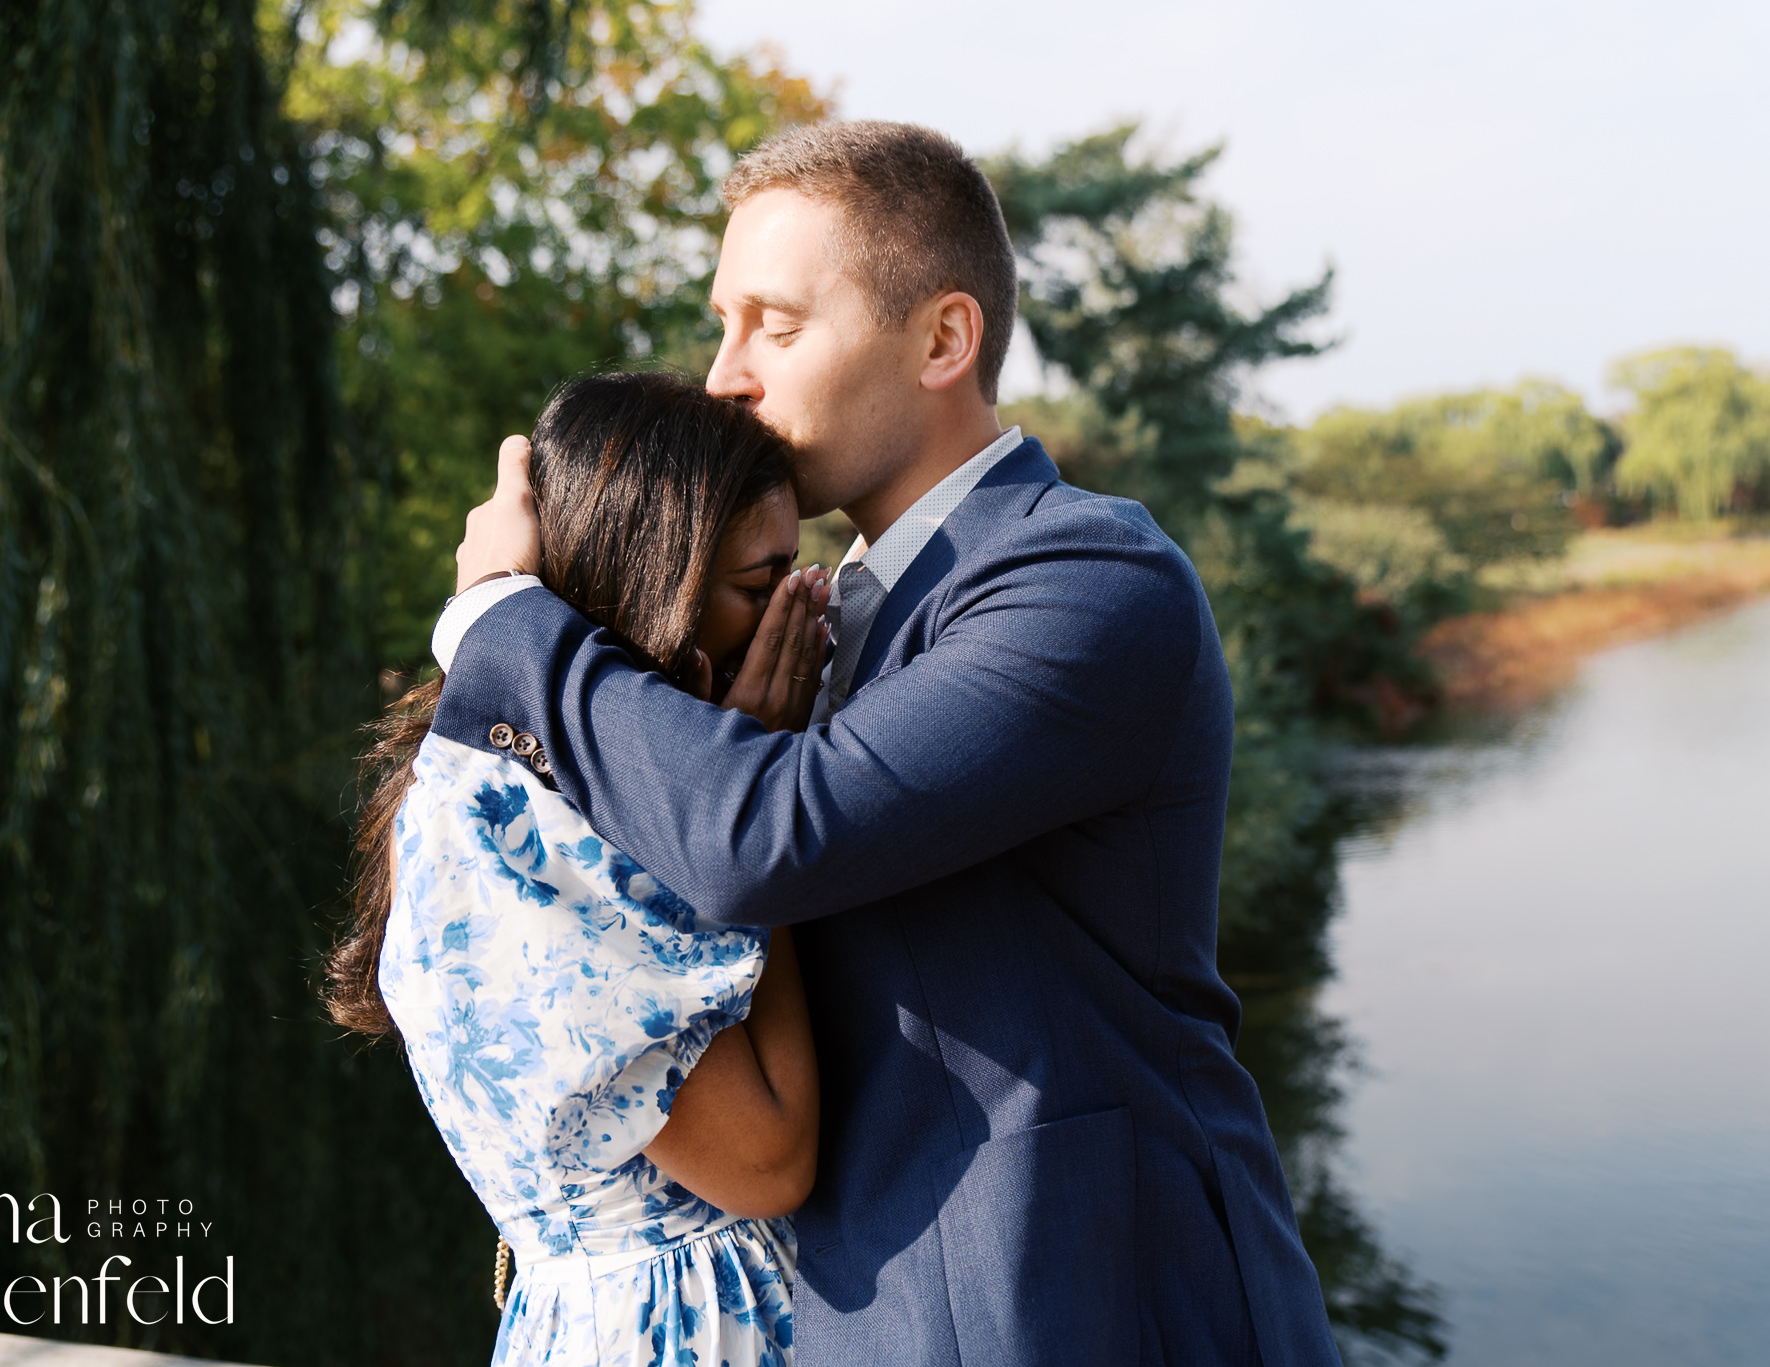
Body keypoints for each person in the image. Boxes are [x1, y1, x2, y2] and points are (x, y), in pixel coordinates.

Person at [439, 122, 1343, 1365]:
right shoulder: (799, 621)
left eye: (775, 323)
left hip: (1094, 1302)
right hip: (865, 1312)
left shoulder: (1084, 579)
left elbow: (766, 833)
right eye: (721, 322)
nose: (723, 376)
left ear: (941, 339)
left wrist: (502, 620)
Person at [325, 371, 832, 1367]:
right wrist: (752, 796)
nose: (796, 616)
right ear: (651, 585)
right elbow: (769, 1157)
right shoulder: (527, 829)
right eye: (756, 587)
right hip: (678, 1327)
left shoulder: (507, 789)